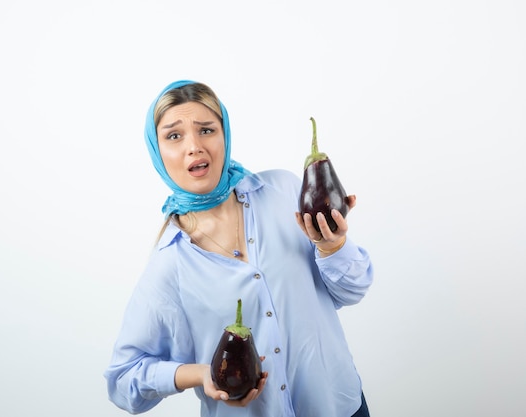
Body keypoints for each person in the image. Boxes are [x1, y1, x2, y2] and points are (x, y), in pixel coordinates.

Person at [104, 80, 374, 417]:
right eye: (174, 136)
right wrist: (200, 374)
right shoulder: (170, 264)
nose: (194, 146)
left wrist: (333, 246)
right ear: (157, 151)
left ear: (225, 135)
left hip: (340, 406)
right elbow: (123, 379)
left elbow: (352, 290)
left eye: (206, 130)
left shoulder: (285, 191)